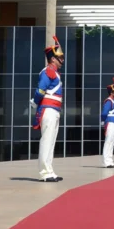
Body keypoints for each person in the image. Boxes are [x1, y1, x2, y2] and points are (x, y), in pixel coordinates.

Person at [30, 35, 64, 182]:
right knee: (47, 140)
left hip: (55, 110)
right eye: (59, 58)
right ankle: (44, 172)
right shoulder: (48, 71)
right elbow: (40, 90)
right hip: (48, 109)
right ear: (52, 59)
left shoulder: (55, 72)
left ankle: (49, 170)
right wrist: (35, 101)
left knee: (51, 141)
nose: (62, 60)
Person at [101, 77, 114, 168]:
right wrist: (103, 121)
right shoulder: (109, 101)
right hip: (110, 124)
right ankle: (106, 161)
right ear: (111, 92)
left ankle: (110, 160)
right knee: (108, 142)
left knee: (112, 142)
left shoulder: (113, 102)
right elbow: (104, 113)